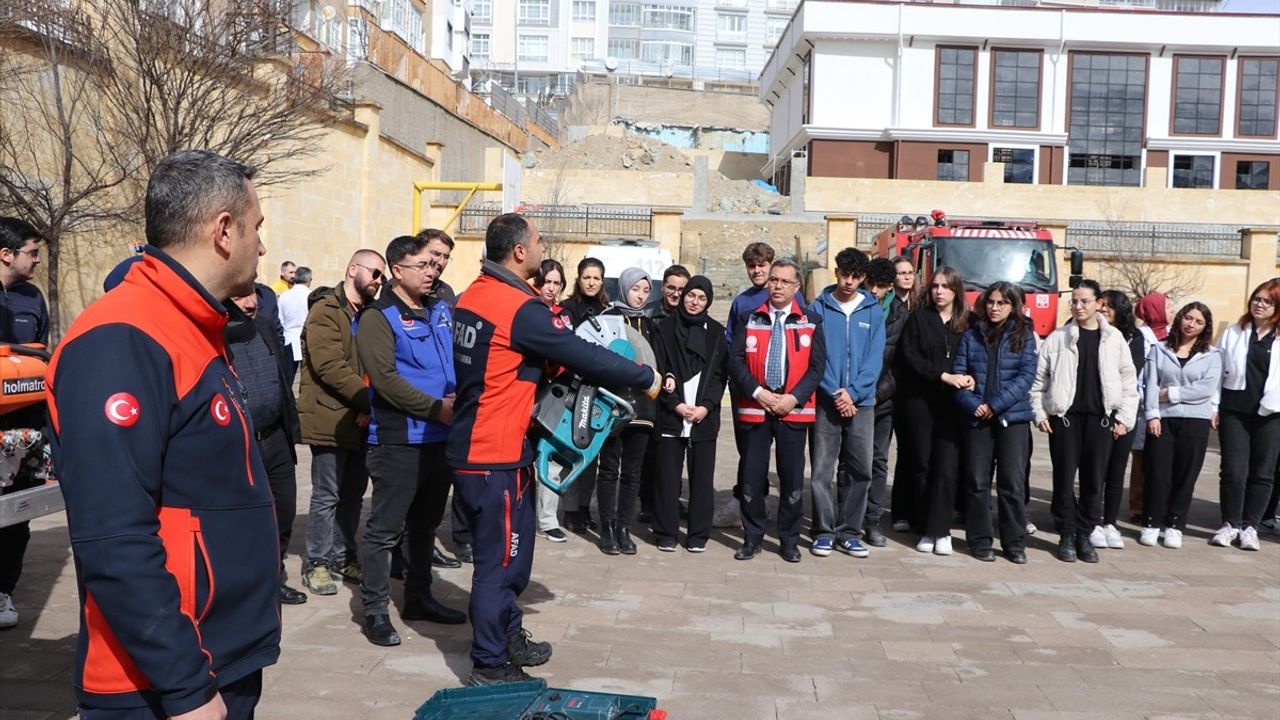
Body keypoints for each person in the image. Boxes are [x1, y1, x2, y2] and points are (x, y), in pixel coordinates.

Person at [48, 149, 279, 719]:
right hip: (162, 682)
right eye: (257, 228)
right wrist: (186, 687)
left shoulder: (195, 326)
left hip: (219, 655)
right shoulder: (124, 338)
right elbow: (112, 536)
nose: (262, 246)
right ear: (224, 230)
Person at [449, 213, 661, 686]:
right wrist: (644, 376)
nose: (544, 249)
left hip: (495, 449)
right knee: (497, 564)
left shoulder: (473, 296)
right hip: (491, 455)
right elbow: (580, 354)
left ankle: (507, 634)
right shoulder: (516, 307)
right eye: (539, 242)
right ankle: (489, 662)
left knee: (515, 556)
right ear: (519, 252)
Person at [354, 231, 467, 647]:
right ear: (397, 269)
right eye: (424, 264)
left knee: (424, 526)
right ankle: (375, 609)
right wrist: (437, 408)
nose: (432, 271)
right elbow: (385, 381)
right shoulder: (377, 318)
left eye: (436, 265)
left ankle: (419, 596)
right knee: (385, 530)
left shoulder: (441, 309)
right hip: (401, 439)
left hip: (441, 439)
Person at [297, 249, 385, 595]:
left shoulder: (369, 314)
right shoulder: (326, 311)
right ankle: (317, 563)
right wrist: (372, 402)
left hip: (362, 419)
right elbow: (330, 367)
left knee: (352, 494)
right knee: (327, 495)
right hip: (330, 419)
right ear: (353, 270)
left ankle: (343, 555)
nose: (379, 281)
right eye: (375, 273)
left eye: (381, 276)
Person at [1031, 279, 1138, 564]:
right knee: (1064, 480)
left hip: (1100, 421)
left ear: (1099, 303)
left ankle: (1084, 533)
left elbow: (1129, 383)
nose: (1078, 306)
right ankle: (1066, 533)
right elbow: (1039, 381)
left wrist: (1125, 419)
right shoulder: (1058, 337)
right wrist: (1040, 413)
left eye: (1085, 301)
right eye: (1074, 301)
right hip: (1066, 420)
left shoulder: (1114, 339)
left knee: (1094, 482)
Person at [728, 258, 826, 563]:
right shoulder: (748, 317)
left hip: (792, 412)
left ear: (797, 287)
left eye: (785, 281)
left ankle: (788, 540)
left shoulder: (811, 320)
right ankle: (752, 537)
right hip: (756, 410)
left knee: (792, 480)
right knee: (752, 479)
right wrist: (759, 393)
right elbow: (735, 362)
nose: (777, 286)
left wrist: (792, 398)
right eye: (773, 280)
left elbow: (817, 367)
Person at [226, 284, 306, 605]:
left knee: (283, 512)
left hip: (275, 439)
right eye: (239, 296)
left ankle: (274, 577)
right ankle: (248, 588)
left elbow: (283, 385)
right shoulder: (213, 336)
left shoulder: (264, 328)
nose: (249, 303)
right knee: (246, 521)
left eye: (251, 295)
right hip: (240, 444)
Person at [806, 248, 884, 559]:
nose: (849, 281)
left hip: (861, 403)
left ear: (864, 278)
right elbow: (815, 357)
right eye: (844, 274)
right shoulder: (819, 308)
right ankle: (823, 531)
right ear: (836, 272)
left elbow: (874, 358)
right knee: (822, 469)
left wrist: (854, 393)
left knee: (860, 469)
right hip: (827, 401)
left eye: (856, 276)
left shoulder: (873, 311)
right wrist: (837, 394)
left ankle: (850, 531)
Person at [952, 283, 1038, 564]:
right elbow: (959, 375)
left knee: (1011, 483)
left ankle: (1014, 542)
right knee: (977, 481)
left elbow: (1026, 377)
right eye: (991, 301)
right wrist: (974, 405)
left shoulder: (1024, 335)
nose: (995, 307)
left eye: (1002, 303)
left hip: (1011, 419)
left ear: (1013, 306)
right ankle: (979, 540)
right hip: (977, 418)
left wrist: (995, 404)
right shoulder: (971, 335)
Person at [894, 267, 972, 555]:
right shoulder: (919, 319)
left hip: (954, 405)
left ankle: (942, 530)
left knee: (947, 467)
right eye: (935, 286)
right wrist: (942, 375)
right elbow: (909, 356)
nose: (939, 291)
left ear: (956, 290)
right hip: (920, 401)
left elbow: (976, 355)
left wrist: (970, 377)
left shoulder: (968, 321)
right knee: (922, 465)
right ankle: (926, 527)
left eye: (946, 286)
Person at [650, 276, 727, 552]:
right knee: (668, 478)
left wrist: (705, 406)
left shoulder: (717, 333)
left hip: (704, 416)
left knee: (702, 479)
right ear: (683, 297)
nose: (695, 302)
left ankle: (697, 536)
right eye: (691, 296)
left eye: (701, 298)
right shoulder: (665, 329)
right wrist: (676, 404)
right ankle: (666, 533)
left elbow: (720, 375)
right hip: (672, 414)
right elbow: (658, 369)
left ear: (708, 301)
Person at [0, 216, 49, 629]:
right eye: (32, 252)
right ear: (6, 254)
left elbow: (41, 356)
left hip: (24, 433)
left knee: (18, 516)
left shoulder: (32, 298)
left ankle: (4, 591)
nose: (36, 259)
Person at [1140, 302, 1221, 549]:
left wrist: (1172, 394)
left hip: (1195, 420)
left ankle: (1175, 524)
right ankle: (1151, 522)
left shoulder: (1212, 355)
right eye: (1188, 318)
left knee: (1186, 475)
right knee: (1157, 473)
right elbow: (1150, 384)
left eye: (1198, 322)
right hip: (1162, 419)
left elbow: (1205, 389)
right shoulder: (1159, 349)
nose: (1191, 324)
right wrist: (1152, 414)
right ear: (1180, 319)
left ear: (1205, 327)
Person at [1212, 279, 1280, 552]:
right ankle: (1230, 523)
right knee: (1233, 470)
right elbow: (1218, 370)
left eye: (1267, 301)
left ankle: (1251, 527)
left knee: (1263, 472)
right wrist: (1214, 406)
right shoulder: (1234, 332)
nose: (1259, 304)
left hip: (1272, 413)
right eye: (1257, 299)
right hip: (1235, 411)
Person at [596, 267, 657, 555]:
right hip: (611, 405)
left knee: (632, 473)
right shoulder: (607, 319)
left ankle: (624, 528)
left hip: (643, 408)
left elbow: (659, 363)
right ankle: (606, 527)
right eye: (636, 289)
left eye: (645, 290)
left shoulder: (652, 323)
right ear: (624, 288)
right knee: (609, 468)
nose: (640, 295)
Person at [715, 242, 776, 528]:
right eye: (752, 266)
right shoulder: (742, 302)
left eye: (762, 265)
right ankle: (745, 501)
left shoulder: (788, 297)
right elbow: (731, 345)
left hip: (780, 391)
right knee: (749, 449)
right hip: (746, 390)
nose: (757, 270)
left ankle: (760, 501)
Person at [559, 257, 609, 532]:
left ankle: (583, 508)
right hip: (573, 388)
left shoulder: (607, 310)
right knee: (571, 448)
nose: (591, 282)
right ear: (578, 279)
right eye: (586, 277)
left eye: (596, 278)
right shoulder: (567, 310)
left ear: (603, 281)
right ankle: (569, 509)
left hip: (599, 391)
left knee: (592, 452)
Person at [1094, 290, 1146, 550]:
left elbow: (1129, 380)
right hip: (1095, 412)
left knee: (1116, 470)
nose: (1103, 310)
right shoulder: (1089, 331)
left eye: (1109, 307)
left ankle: (1110, 522)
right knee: (1094, 470)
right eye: (1101, 305)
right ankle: (1091, 520)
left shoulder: (1134, 338)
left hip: (1123, 410)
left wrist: (1122, 419)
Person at [640, 264, 690, 523]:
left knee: (675, 449)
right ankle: (647, 502)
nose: (676, 293)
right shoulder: (650, 313)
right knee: (650, 450)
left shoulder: (689, 316)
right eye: (671, 287)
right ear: (664, 287)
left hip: (680, 393)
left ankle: (672, 498)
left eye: (682, 289)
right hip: (651, 390)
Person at [864, 257, 907, 548]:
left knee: (878, 461)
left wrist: (878, 393)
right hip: (852, 400)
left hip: (883, 401)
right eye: (872, 285)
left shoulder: (901, 314)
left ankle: (872, 520)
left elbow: (901, 364)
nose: (875, 292)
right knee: (850, 463)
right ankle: (848, 517)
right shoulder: (854, 306)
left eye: (881, 286)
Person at [532, 259, 572, 544]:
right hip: (527, 391)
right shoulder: (527, 310)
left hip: (557, 393)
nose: (552, 288)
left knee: (552, 458)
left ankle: (547, 520)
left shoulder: (564, 315)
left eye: (557, 283)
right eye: (547, 281)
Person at [1129, 292, 1172, 520]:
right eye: (1168, 306)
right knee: (1141, 457)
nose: (1172, 311)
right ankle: (1137, 505)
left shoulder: (1174, 336)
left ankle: (1161, 504)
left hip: (1168, 403)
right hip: (1143, 404)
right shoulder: (1139, 336)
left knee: (1163, 457)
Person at [277, 265, 311, 383]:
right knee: (307, 379)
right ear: (308, 280)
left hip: (288, 339)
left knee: (287, 379)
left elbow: (279, 320)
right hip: (307, 340)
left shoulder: (284, 296)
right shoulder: (311, 296)